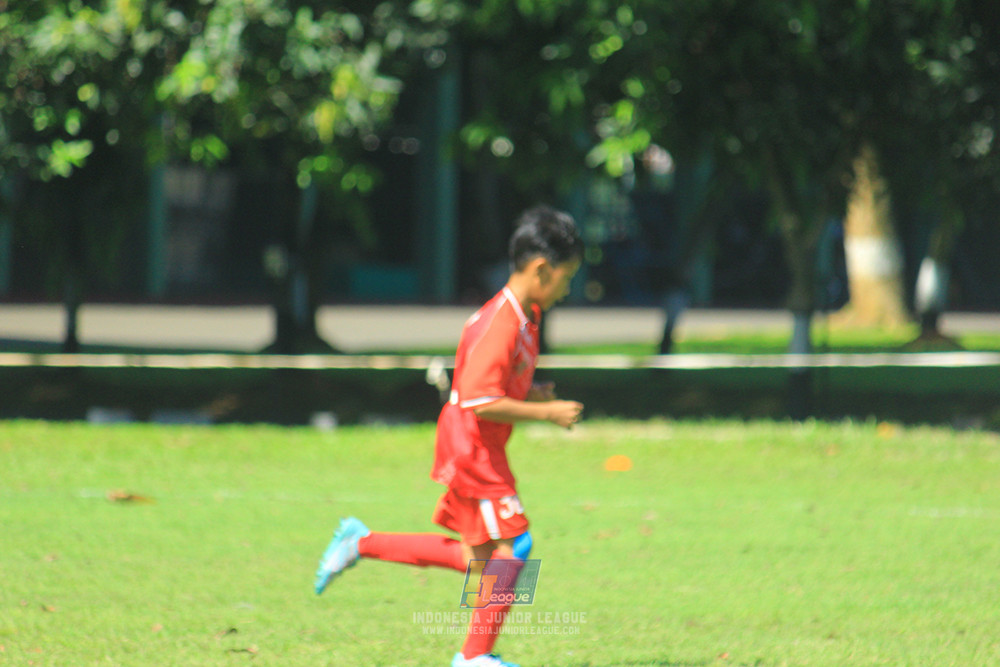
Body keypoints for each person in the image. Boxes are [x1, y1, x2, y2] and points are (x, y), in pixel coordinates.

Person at [314, 205, 585, 667]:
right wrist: (548, 413)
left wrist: (532, 393)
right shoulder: (501, 321)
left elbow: (498, 382)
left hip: (482, 443)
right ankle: (474, 657)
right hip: (472, 447)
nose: (567, 288)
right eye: (567, 277)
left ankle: (360, 542)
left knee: (478, 559)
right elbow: (480, 400)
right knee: (515, 545)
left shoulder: (527, 316)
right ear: (542, 268)